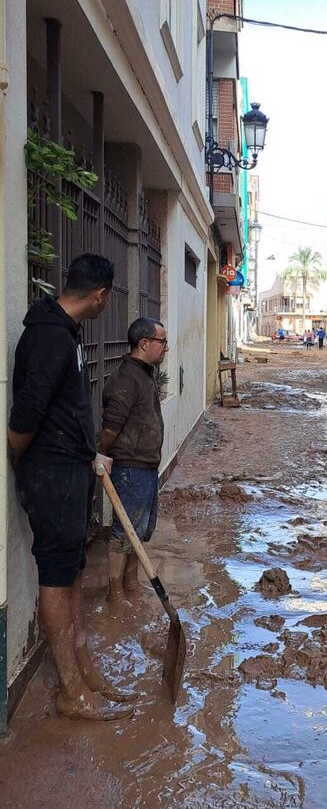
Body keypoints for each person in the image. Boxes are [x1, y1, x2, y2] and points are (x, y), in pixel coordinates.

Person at [8, 254, 136, 721]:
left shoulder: (67, 333)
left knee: (75, 567)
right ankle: (69, 690)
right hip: (51, 475)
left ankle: (85, 669)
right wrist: (27, 459)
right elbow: (25, 416)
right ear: (100, 295)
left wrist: (87, 453)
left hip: (72, 469)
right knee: (58, 574)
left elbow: (65, 409)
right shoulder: (47, 337)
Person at [100, 317, 167, 605]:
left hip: (145, 468)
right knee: (123, 533)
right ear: (144, 344)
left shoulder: (144, 373)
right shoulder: (127, 378)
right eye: (162, 342)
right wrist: (101, 455)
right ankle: (115, 592)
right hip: (130, 469)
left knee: (137, 532)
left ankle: (131, 583)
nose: (166, 348)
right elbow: (111, 426)